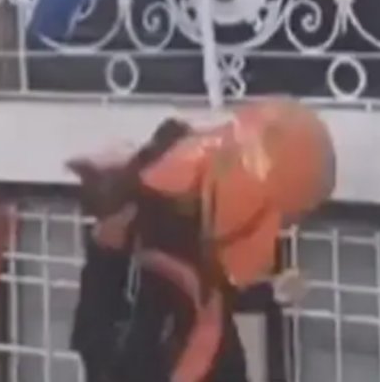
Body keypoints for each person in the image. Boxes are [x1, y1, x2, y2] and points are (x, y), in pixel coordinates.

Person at [68, 100, 335, 382]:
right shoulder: (141, 240)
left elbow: (208, 290)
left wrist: (269, 292)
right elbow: (104, 335)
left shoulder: (178, 230)